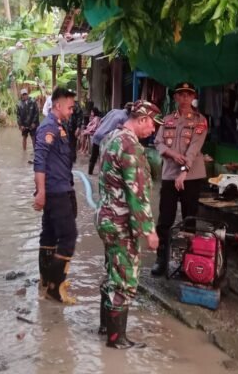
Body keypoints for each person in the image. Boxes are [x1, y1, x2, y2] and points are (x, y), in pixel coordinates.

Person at [96, 100, 162, 349]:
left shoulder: (111, 137)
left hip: (106, 219)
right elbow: (137, 193)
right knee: (124, 280)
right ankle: (117, 341)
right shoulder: (130, 146)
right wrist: (149, 231)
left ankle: (105, 329)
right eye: (152, 125)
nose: (153, 130)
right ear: (142, 119)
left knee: (113, 273)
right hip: (121, 222)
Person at [151, 82, 208, 276]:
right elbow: (157, 142)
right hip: (169, 175)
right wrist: (171, 154)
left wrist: (184, 170)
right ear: (174, 97)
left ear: (193, 98)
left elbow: (194, 148)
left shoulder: (200, 121)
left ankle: (188, 261)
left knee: (188, 219)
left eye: (188, 95)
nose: (184, 98)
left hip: (191, 176)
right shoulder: (167, 120)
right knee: (164, 218)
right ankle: (161, 259)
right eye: (180, 95)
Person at [33, 86, 78, 304]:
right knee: (68, 237)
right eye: (69, 107)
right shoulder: (48, 128)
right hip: (56, 191)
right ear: (57, 106)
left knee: (50, 235)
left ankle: (47, 280)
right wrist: (41, 191)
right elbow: (39, 160)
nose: (72, 111)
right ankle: (54, 287)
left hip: (59, 187)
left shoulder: (59, 126)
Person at [88, 102, 133, 175]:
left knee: (93, 156)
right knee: (103, 158)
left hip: (98, 134)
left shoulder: (114, 110)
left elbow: (101, 120)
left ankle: (90, 172)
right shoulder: (126, 118)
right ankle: (102, 175)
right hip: (106, 138)